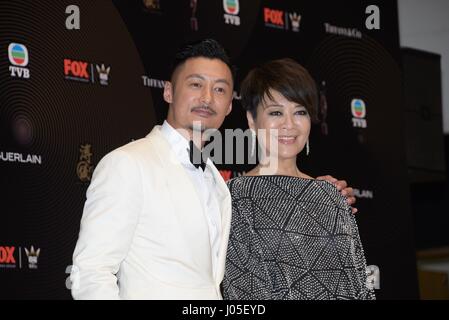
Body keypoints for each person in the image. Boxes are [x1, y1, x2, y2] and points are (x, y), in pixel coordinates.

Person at [70, 39, 356, 299]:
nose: (207, 98)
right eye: (196, 84)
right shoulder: (129, 163)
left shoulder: (216, 181)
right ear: (168, 91)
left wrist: (316, 197)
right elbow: (91, 272)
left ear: (229, 105)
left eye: (219, 89)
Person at [222, 58, 375, 300]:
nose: (289, 124)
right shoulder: (234, 197)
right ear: (252, 120)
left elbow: (358, 283)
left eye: (300, 112)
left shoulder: (331, 195)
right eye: (276, 112)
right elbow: (243, 288)